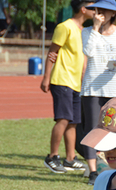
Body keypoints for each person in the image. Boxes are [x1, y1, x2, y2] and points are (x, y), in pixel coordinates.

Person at [79, 0, 116, 185]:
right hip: (93, 87)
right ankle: (93, 171)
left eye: (106, 11)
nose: (101, 13)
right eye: (98, 10)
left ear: (113, 14)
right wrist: (96, 27)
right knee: (92, 128)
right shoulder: (87, 31)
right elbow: (88, 51)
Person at [40, 0, 94, 174]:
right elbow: (52, 52)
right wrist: (46, 77)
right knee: (63, 119)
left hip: (76, 83)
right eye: (93, 8)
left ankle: (70, 158)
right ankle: (52, 157)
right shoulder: (65, 27)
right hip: (62, 79)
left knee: (73, 122)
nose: (96, 11)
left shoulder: (85, 31)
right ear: (83, 9)